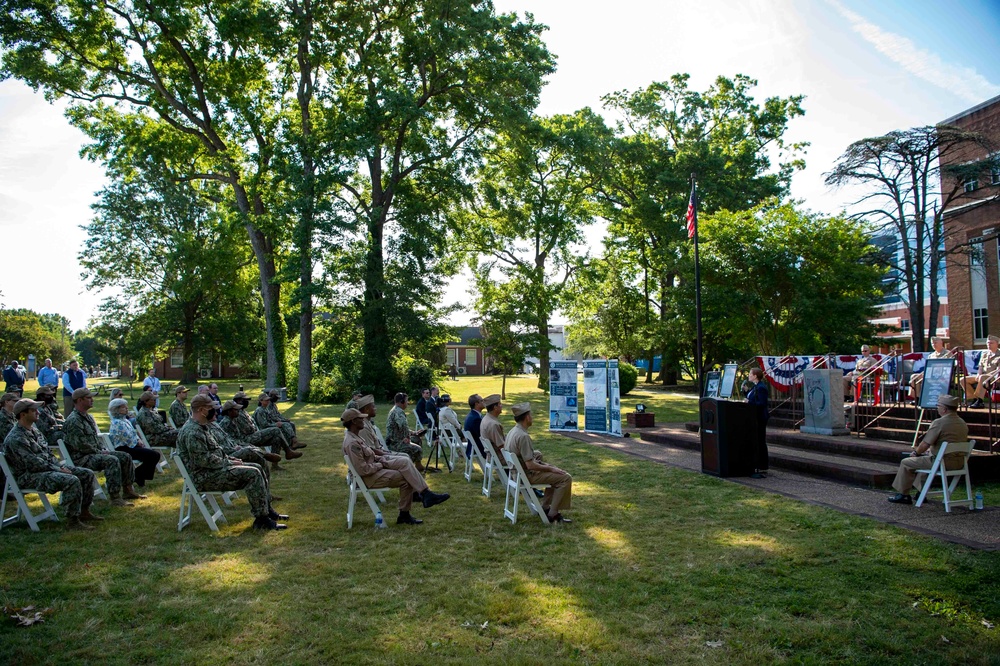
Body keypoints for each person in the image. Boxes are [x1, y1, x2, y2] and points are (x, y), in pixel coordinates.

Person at [177, 394, 287, 530]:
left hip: (212, 471)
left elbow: (214, 452)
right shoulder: (193, 432)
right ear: (201, 410)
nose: (214, 410)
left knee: (257, 467)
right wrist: (228, 463)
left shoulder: (200, 427)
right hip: (204, 477)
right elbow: (203, 460)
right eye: (210, 408)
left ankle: (266, 511)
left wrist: (230, 459)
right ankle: (262, 519)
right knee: (253, 474)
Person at [3, 397, 101, 529]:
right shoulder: (16, 438)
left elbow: (48, 454)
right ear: (23, 414)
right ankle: (73, 520)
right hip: (27, 476)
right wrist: (58, 469)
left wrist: (59, 466)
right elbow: (33, 464)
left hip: (45, 469)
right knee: (71, 480)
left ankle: (84, 511)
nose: (38, 413)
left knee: (86, 474)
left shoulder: (34, 431)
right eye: (34, 410)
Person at [342, 407, 449, 525]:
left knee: (404, 461)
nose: (363, 420)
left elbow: (370, 456)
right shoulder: (352, 443)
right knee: (406, 478)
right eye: (360, 419)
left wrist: (382, 459)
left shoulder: (356, 436)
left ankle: (425, 495)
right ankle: (407, 512)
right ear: (353, 422)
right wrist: (380, 464)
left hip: (376, 467)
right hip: (369, 477)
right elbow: (363, 470)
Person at [63, 387, 144, 506]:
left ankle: (128, 490)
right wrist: (99, 452)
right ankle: (115, 497)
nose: (92, 400)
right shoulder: (74, 420)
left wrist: (102, 449)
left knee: (125, 456)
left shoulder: (88, 417)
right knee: (112, 460)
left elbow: (94, 439)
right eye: (89, 398)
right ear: (79, 400)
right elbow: (81, 445)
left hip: (93, 453)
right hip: (82, 457)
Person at [888, 394, 970, 504]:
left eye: (938, 406)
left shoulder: (940, 422)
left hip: (942, 462)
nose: (937, 408)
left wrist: (915, 453)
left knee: (907, 462)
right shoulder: (962, 423)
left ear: (944, 409)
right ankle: (920, 492)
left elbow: (925, 444)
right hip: (959, 462)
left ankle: (903, 494)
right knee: (925, 461)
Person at [504, 402, 573, 523]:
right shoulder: (523, 436)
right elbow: (530, 465)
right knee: (565, 478)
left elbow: (528, 459)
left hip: (516, 474)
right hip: (525, 476)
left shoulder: (513, 431)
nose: (532, 417)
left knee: (554, 474)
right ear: (527, 418)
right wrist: (551, 469)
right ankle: (552, 514)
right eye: (531, 415)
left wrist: (547, 466)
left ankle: (546, 507)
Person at [208, 402, 282, 501]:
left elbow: (229, 440)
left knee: (260, 461)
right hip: (227, 456)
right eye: (214, 411)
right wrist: (234, 449)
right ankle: (265, 454)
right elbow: (218, 449)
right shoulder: (213, 427)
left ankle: (266, 494)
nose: (217, 413)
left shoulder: (215, 426)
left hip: (233, 449)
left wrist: (236, 446)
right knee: (249, 451)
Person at [222, 392, 301, 469]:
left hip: (253, 435)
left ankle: (275, 465)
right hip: (247, 438)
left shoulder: (243, 412)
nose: (247, 402)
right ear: (238, 400)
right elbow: (234, 436)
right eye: (245, 400)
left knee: (276, 439)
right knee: (275, 430)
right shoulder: (233, 416)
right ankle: (288, 451)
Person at [107, 398, 162, 487]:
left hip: (132, 446)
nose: (127, 408)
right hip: (124, 449)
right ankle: (136, 475)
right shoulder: (117, 423)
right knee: (154, 455)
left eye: (126, 407)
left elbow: (133, 433)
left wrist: (139, 440)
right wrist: (137, 443)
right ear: (116, 409)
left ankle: (138, 475)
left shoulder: (125, 420)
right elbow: (125, 438)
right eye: (123, 407)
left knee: (154, 455)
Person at [385, 392, 426, 470]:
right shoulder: (398, 412)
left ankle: (418, 465)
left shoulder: (396, 410)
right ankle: (409, 467)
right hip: (394, 443)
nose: (408, 403)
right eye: (407, 401)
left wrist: (414, 433)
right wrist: (407, 438)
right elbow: (402, 426)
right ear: (402, 402)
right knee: (418, 449)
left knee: (417, 439)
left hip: (396, 440)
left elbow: (403, 428)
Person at [908, 337, 953, 402]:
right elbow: (928, 367)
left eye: (935, 343)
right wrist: (924, 373)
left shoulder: (947, 353)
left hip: (943, 375)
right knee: (914, 377)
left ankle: (919, 399)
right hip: (931, 374)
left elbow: (949, 366)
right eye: (932, 343)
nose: (934, 345)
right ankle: (917, 398)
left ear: (941, 343)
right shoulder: (931, 355)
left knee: (916, 378)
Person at [963, 335, 1000, 409]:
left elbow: (998, 370)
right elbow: (980, 366)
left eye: (991, 343)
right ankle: (974, 399)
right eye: (988, 343)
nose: (988, 345)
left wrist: (984, 376)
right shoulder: (985, 354)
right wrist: (978, 374)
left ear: (997, 344)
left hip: (994, 377)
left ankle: (980, 401)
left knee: (983, 378)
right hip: (983, 376)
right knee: (963, 379)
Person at [746, 367, 770, 478]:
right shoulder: (755, 387)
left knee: (760, 440)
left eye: (750, 374)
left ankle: (763, 464)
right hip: (754, 417)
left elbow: (761, 403)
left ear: (755, 375)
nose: (749, 376)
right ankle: (757, 462)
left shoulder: (761, 388)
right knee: (757, 439)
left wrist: (749, 402)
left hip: (760, 418)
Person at [480, 394, 506, 461]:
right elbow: (502, 446)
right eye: (500, 404)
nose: (501, 406)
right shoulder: (493, 424)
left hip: (493, 456)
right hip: (501, 457)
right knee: (534, 457)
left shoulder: (486, 419)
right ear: (495, 407)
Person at [464, 394, 486, 458]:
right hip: (479, 448)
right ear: (477, 404)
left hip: (473, 446)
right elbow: (481, 436)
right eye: (482, 400)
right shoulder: (476, 419)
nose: (483, 402)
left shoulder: (472, 415)